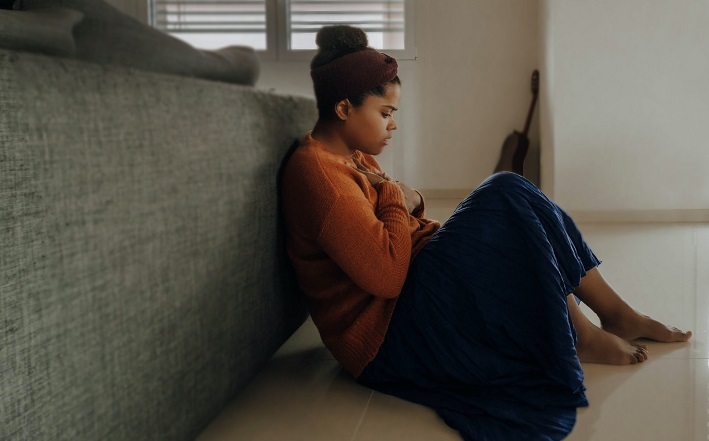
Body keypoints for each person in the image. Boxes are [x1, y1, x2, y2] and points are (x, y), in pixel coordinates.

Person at [279, 25, 692, 441]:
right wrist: (392, 193)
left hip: (411, 292)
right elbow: (386, 276)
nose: (393, 126)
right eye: (385, 114)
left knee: (509, 192)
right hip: (386, 336)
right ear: (345, 108)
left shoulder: (351, 155)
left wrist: (413, 201)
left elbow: (401, 216)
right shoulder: (319, 176)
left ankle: (616, 315)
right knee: (503, 191)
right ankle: (580, 335)